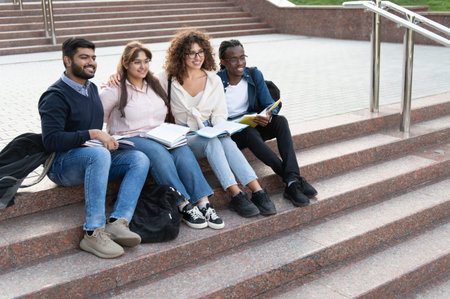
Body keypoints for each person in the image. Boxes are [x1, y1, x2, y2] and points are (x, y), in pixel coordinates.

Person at [38, 38, 150, 259]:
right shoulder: (54, 96)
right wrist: (93, 135)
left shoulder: (91, 89)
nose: (91, 62)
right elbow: (50, 141)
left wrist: (107, 139)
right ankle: (93, 232)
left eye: (93, 57)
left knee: (139, 158)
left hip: (92, 157)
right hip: (61, 165)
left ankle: (118, 222)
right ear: (67, 60)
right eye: (84, 57)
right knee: (98, 153)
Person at [100, 41, 223, 230]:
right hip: (130, 138)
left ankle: (203, 202)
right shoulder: (115, 88)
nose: (143, 67)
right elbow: (97, 117)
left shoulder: (155, 83)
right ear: (125, 64)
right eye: (137, 62)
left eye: (146, 61)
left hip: (158, 134)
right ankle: (182, 204)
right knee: (159, 154)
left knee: (182, 149)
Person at [158, 29, 276, 218]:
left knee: (225, 140)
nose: (197, 57)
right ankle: (236, 193)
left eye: (201, 52)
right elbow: (141, 81)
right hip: (183, 135)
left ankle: (258, 191)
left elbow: (220, 115)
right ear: (181, 54)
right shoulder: (167, 78)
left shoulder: (213, 79)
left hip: (210, 129)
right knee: (212, 142)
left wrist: (222, 130)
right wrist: (116, 78)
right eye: (191, 53)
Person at [217, 39, 318, 207]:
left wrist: (269, 115)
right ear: (223, 62)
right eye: (233, 59)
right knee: (249, 133)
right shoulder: (216, 82)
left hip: (253, 122)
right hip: (233, 133)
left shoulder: (254, 74)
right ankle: (292, 180)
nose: (240, 63)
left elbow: (268, 103)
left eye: (242, 57)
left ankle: (292, 181)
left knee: (281, 122)